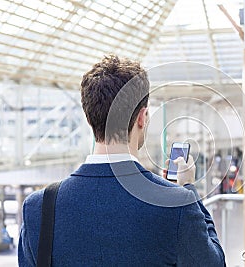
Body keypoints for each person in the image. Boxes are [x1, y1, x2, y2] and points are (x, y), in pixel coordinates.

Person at [18, 55, 226, 266]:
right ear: (142, 118)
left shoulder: (39, 208)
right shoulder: (177, 204)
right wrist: (189, 189)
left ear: (89, 117)